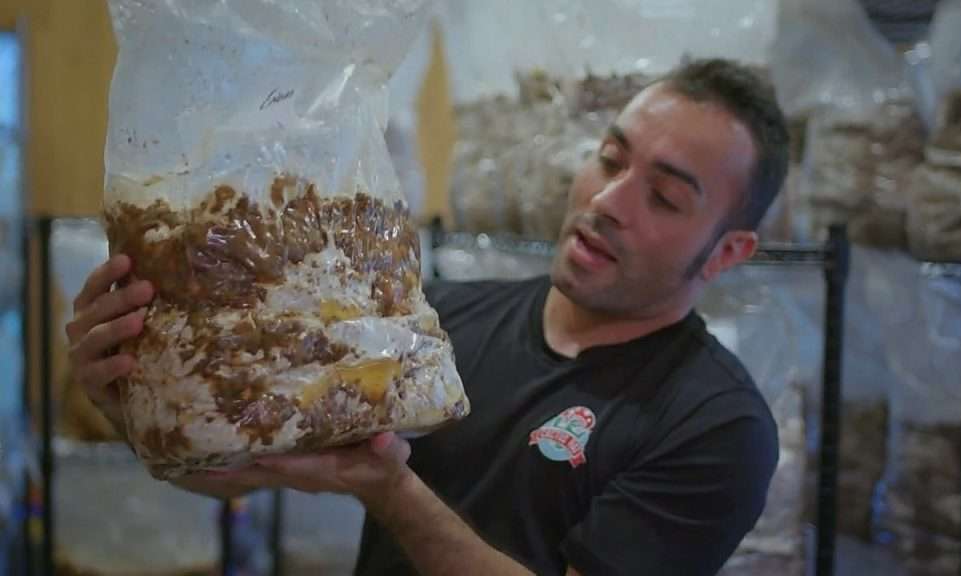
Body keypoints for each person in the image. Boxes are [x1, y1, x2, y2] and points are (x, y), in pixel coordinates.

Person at [67, 58, 788, 576]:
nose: (607, 201)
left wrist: (392, 491)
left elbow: (374, 483)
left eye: (663, 197)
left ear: (728, 251)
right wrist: (137, 403)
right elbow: (246, 471)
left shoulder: (716, 427)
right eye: (608, 159)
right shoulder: (437, 327)